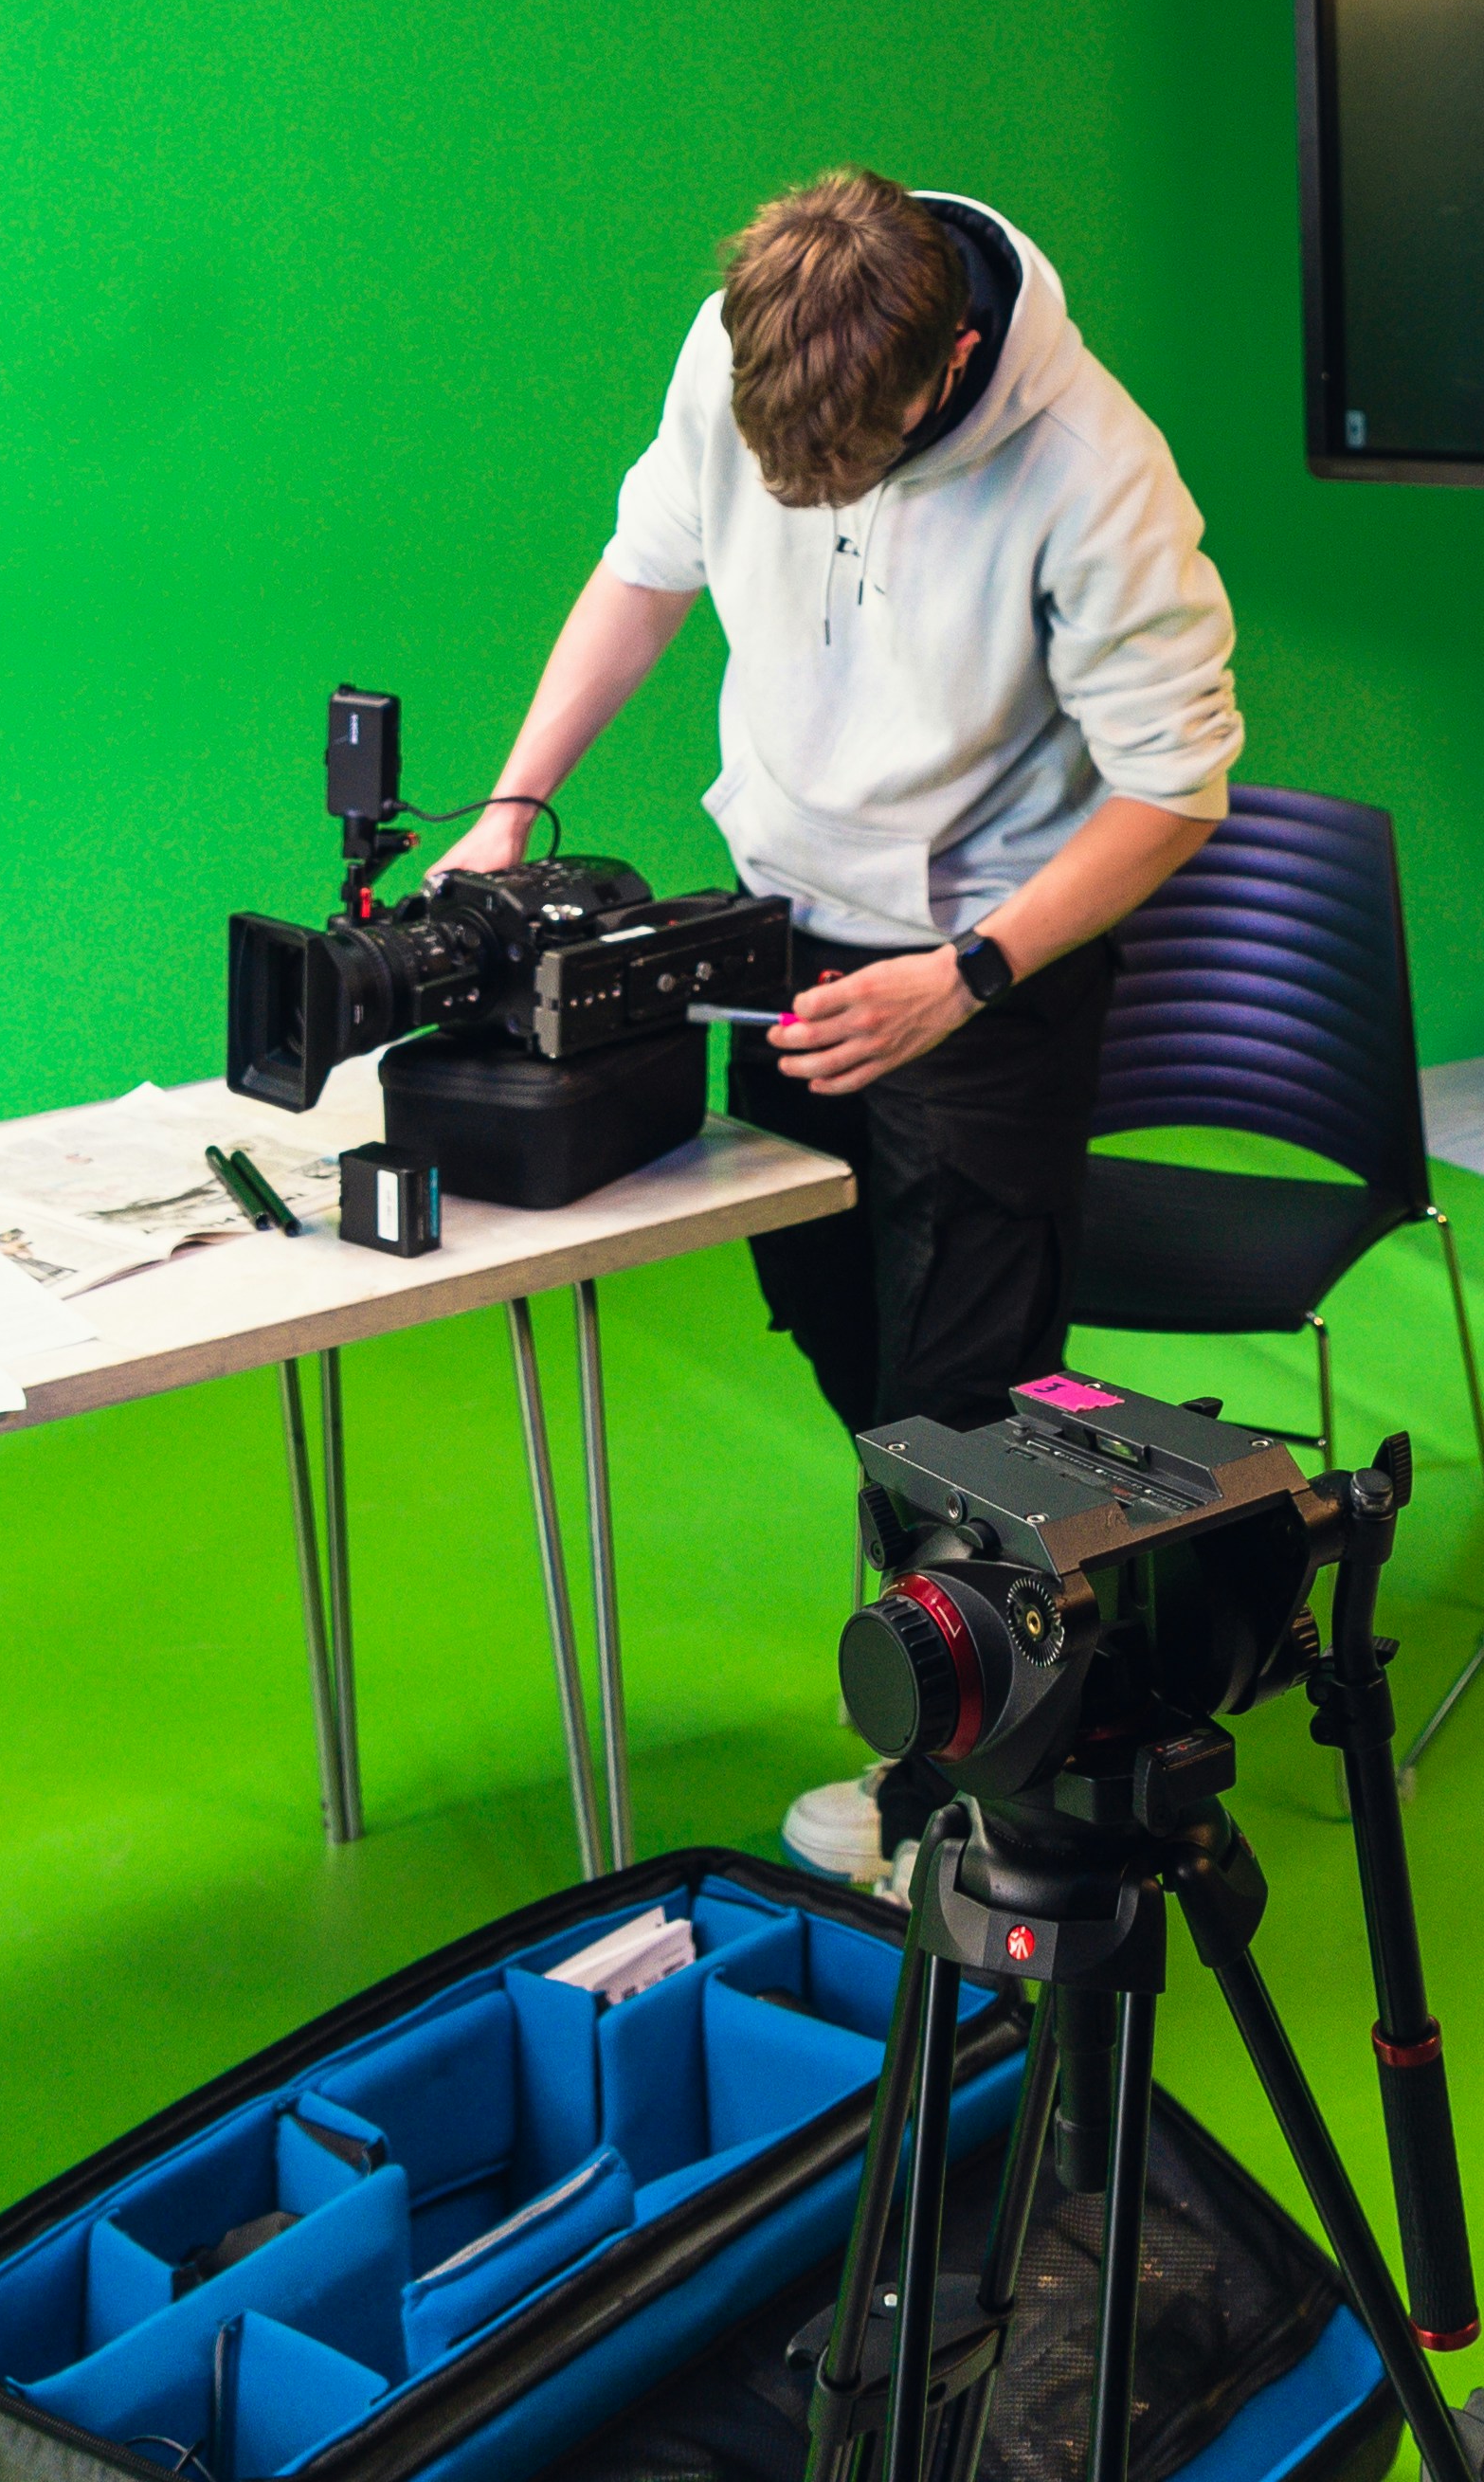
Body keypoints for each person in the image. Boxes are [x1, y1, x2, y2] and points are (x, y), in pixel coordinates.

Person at [437, 166, 1240, 1871]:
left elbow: (1176, 792)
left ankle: (979, 1818)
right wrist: (515, 802)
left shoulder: (1097, 474)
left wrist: (968, 979)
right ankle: (995, 1698)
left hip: (978, 974)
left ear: (950, 365)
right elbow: (646, 576)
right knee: (844, 1344)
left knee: (964, 1413)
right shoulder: (751, 350)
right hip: (779, 946)